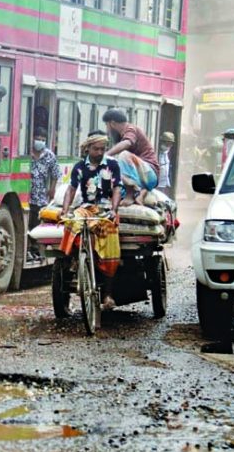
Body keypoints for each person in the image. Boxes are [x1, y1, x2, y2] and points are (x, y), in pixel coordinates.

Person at [60, 133, 123, 309]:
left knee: (110, 235)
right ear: (88, 149)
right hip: (86, 207)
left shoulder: (112, 165)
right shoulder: (79, 167)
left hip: (105, 208)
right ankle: (75, 259)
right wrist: (64, 211)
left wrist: (114, 209)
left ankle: (108, 295)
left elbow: (117, 188)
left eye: (102, 149)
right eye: (96, 149)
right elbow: (71, 189)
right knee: (73, 223)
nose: (100, 152)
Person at [102, 108, 158, 206]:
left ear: (112, 123)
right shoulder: (122, 135)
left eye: (107, 125)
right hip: (143, 178)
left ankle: (130, 195)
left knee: (123, 155)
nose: (107, 130)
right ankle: (141, 193)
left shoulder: (130, 129)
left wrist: (106, 155)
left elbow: (127, 143)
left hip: (149, 173)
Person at [28, 126, 59, 260]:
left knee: (37, 225)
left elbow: (55, 174)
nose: (40, 141)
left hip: (41, 197)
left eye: (43, 139)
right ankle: (28, 248)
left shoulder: (49, 156)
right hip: (27, 196)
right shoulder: (26, 154)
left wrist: (52, 189)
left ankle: (35, 250)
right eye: (37, 139)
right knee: (28, 224)